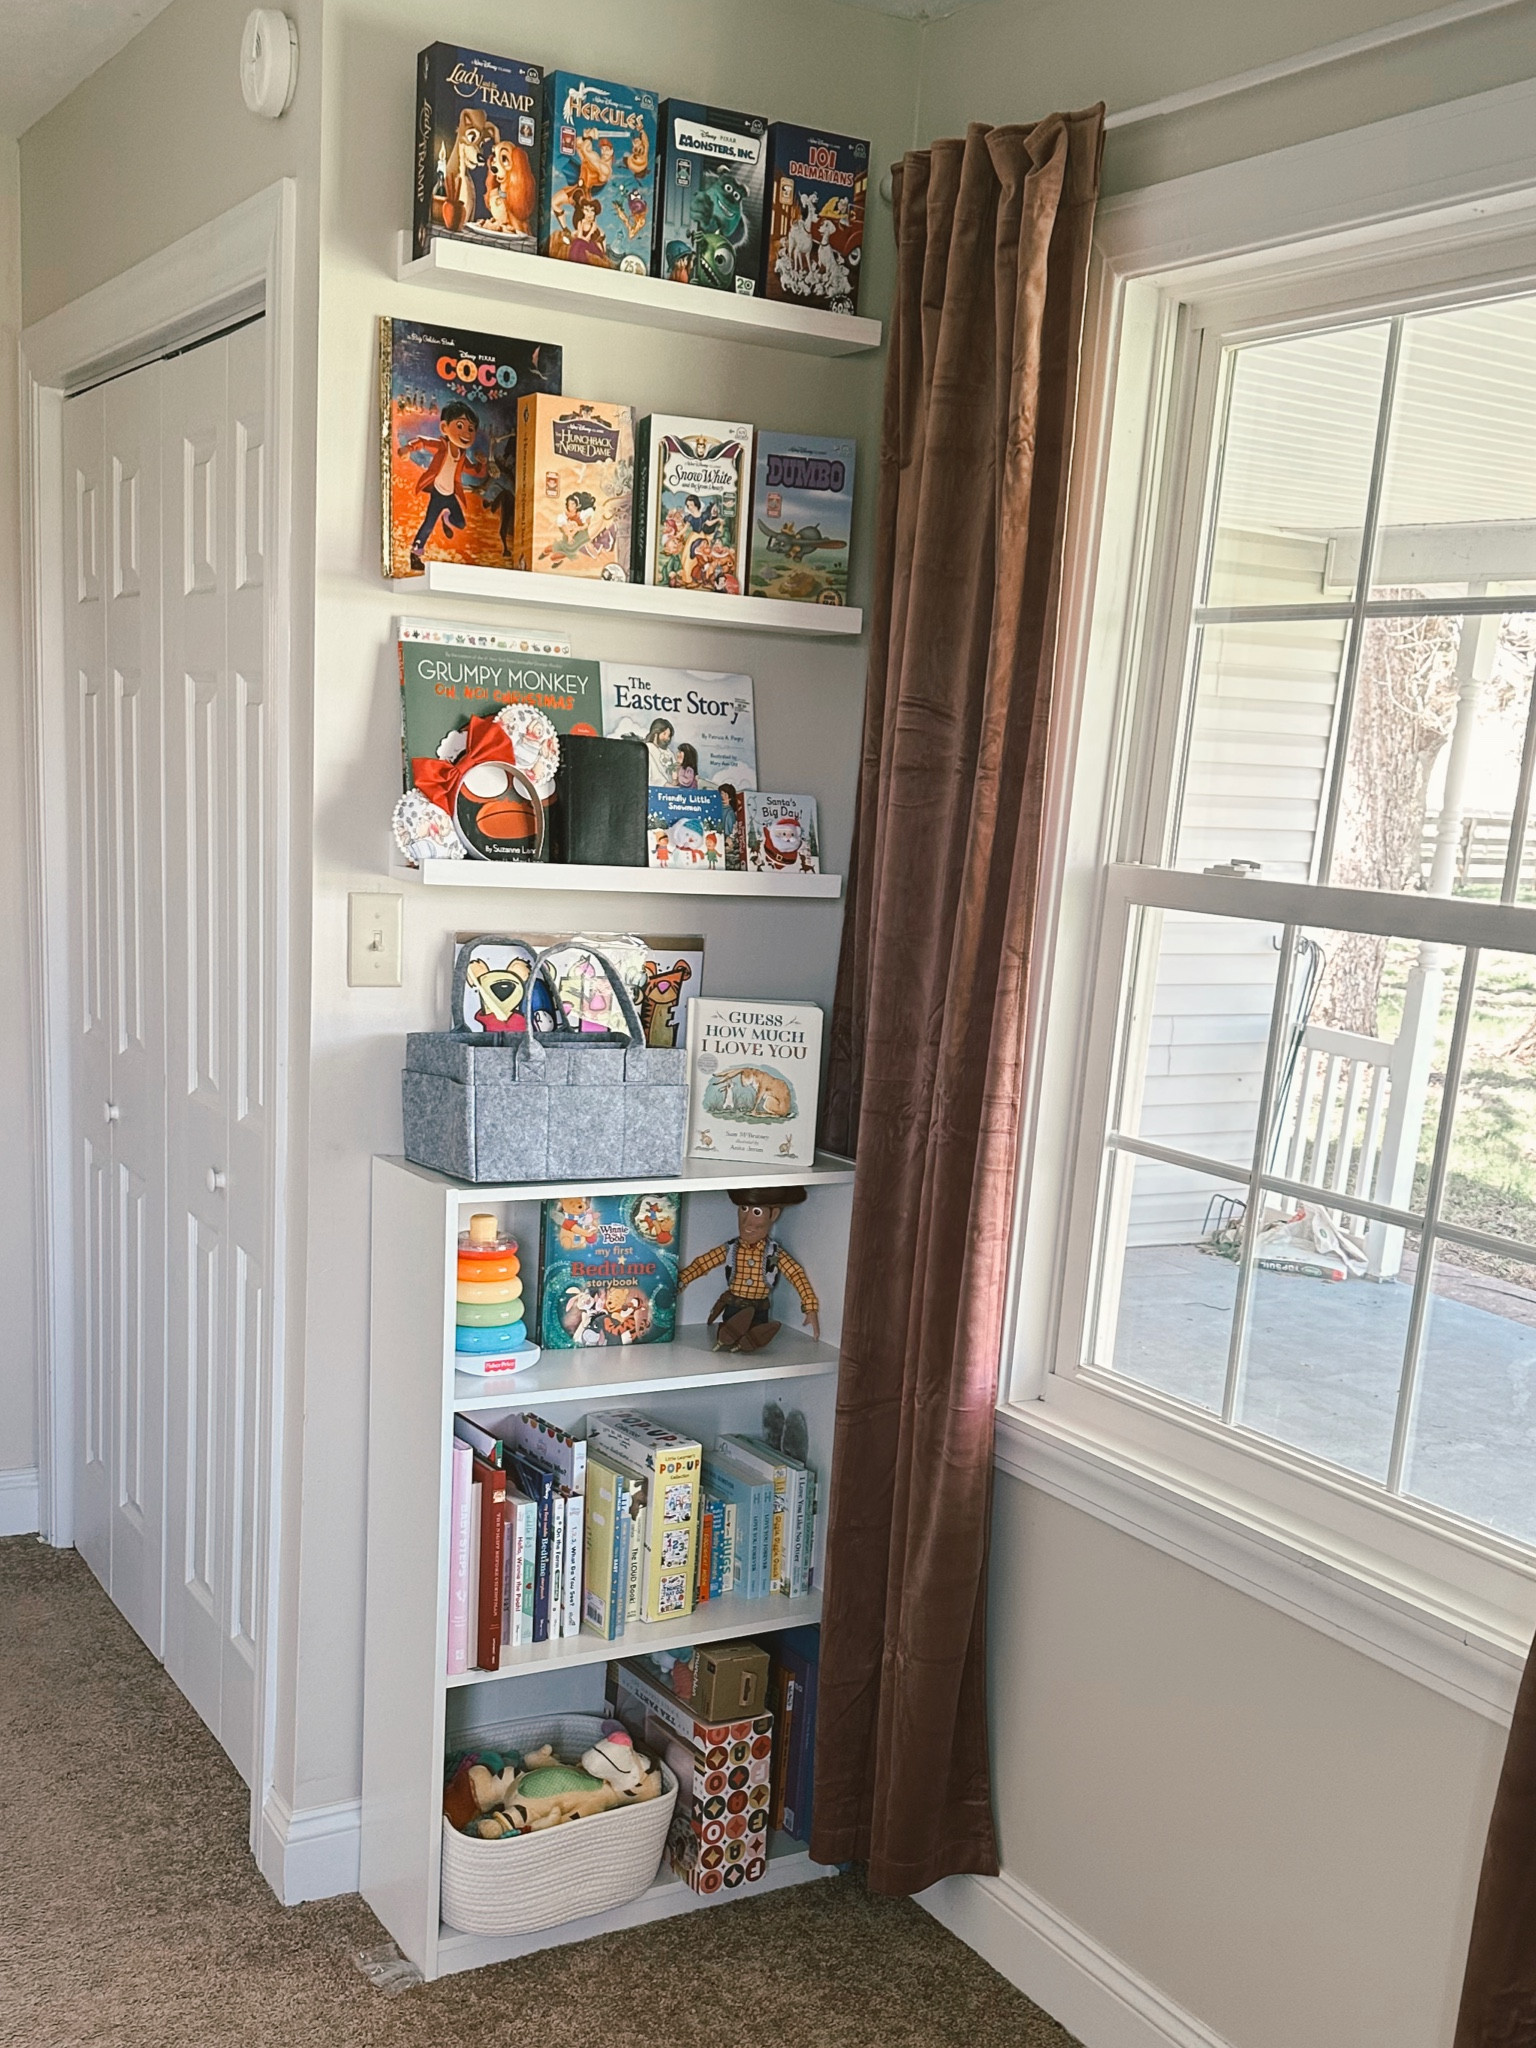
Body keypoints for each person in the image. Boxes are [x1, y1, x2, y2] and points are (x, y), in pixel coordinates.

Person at [677, 1187, 819, 1352]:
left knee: (756, 1330)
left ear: (773, 1215)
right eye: (743, 1209)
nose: (746, 1222)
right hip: (734, 1305)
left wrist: (810, 1308)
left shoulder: (774, 1253)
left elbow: (796, 1274)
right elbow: (703, 1264)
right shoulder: (731, 1249)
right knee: (732, 1326)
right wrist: (682, 1279)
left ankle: (750, 1337)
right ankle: (730, 1334)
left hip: (760, 1308)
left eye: (756, 1212)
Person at [402, 400, 483, 569]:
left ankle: (446, 518)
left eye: (471, 429)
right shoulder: (442, 446)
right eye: (460, 426)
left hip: (451, 495)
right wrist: (408, 448)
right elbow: (424, 442)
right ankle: (415, 555)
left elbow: (473, 470)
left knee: (460, 523)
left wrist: (481, 464)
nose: (467, 434)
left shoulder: (461, 454)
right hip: (438, 494)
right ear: (445, 427)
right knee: (428, 524)